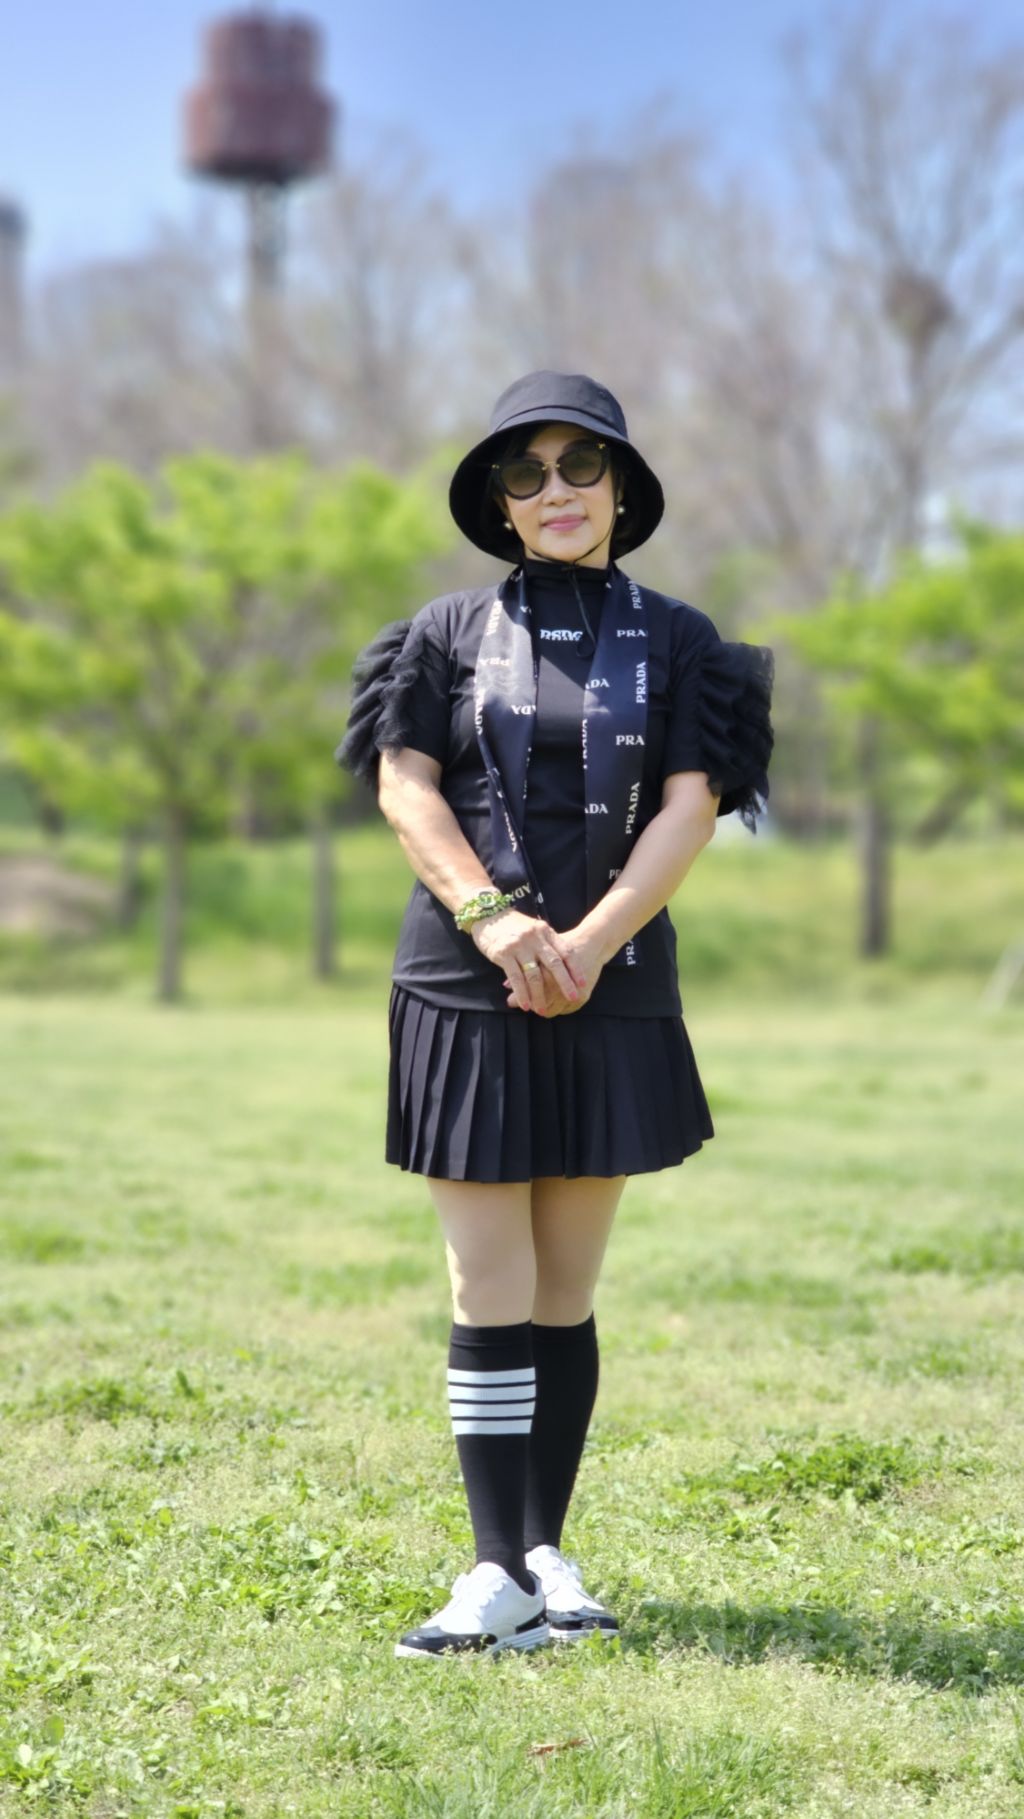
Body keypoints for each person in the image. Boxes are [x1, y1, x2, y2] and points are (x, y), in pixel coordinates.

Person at [336, 371, 774, 1660]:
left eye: (581, 464)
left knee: (566, 1291)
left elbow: (690, 807)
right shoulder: (443, 632)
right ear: (501, 504)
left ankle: (540, 1555)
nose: (556, 491)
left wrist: (588, 941)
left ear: (622, 486)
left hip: (610, 983)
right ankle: (493, 1574)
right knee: (491, 1277)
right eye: (525, 474)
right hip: (466, 983)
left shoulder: (682, 640)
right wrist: (496, 923)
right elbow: (406, 788)